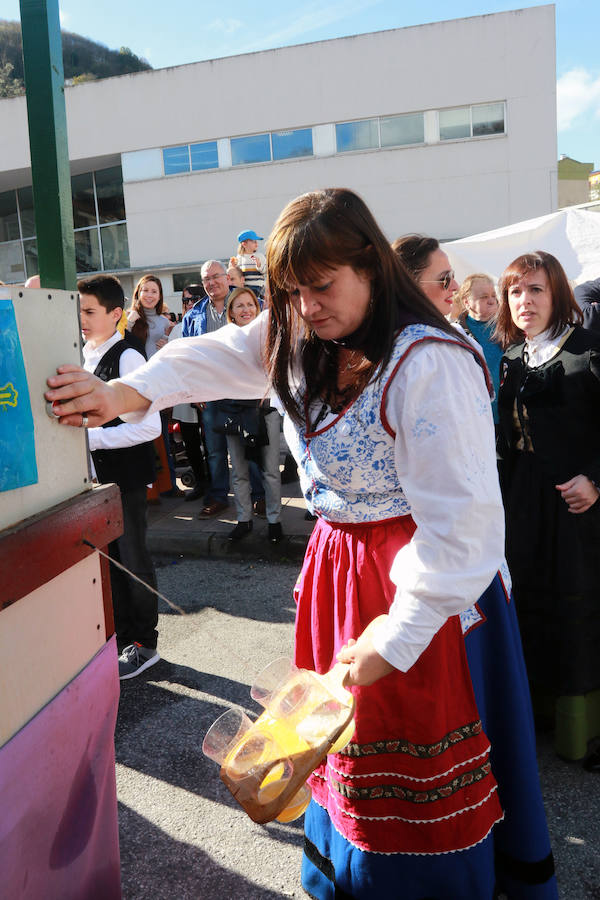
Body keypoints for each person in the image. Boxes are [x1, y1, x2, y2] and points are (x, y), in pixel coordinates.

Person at [47, 189, 556, 899]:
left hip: (425, 590)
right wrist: (124, 396)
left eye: (322, 287)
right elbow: (217, 355)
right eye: (292, 291)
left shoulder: (431, 361)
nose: (306, 306)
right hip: (339, 572)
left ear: (372, 269)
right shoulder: (298, 330)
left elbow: (466, 528)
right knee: (330, 742)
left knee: (406, 759)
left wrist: (396, 633)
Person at [495, 251, 600, 763]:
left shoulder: (587, 351)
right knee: (528, 601)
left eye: (535, 289)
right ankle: (535, 715)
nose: (524, 300)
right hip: (523, 504)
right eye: (515, 291)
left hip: (578, 507)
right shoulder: (512, 358)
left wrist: (596, 481)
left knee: (577, 606)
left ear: (557, 292)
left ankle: (584, 726)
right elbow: (503, 442)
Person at [78, 274, 162, 679]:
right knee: (109, 562)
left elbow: (150, 428)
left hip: (125, 477)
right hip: (95, 480)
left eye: (90, 311)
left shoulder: (129, 356)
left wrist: (92, 439)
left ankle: (145, 643)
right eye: (79, 310)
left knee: (133, 558)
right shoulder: (82, 354)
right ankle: (122, 635)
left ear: (115, 314)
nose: (82, 318)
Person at [214, 287, 283, 542]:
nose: (246, 310)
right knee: (239, 470)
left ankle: (275, 522)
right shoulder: (225, 339)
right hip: (234, 412)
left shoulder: (268, 336)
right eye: (240, 305)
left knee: (270, 470)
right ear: (231, 311)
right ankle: (244, 519)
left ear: (257, 308)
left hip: (265, 411)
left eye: (250, 304)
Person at [128, 274, 182, 499]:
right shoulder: (128, 320)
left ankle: (167, 485)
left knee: (162, 438)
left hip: (158, 387)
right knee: (139, 439)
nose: (149, 295)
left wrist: (167, 346)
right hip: (135, 388)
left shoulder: (165, 323)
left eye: (154, 291)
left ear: (160, 296)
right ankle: (145, 489)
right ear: (138, 293)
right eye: (145, 290)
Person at [455, 273, 503, 423]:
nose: (491, 300)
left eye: (493, 295)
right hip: (475, 418)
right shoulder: (456, 334)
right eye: (483, 297)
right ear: (467, 302)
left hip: (508, 417)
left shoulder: (511, 328)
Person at [391, 234, 459, 317]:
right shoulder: (417, 329)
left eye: (452, 275)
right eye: (445, 278)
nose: (456, 286)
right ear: (410, 285)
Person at [230, 229, 266, 298]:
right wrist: (233, 266)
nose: (256, 243)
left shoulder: (260, 256)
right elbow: (238, 273)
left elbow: (266, 271)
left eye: (256, 241)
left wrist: (259, 265)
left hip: (259, 287)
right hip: (245, 287)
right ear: (244, 244)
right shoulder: (239, 258)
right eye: (253, 241)